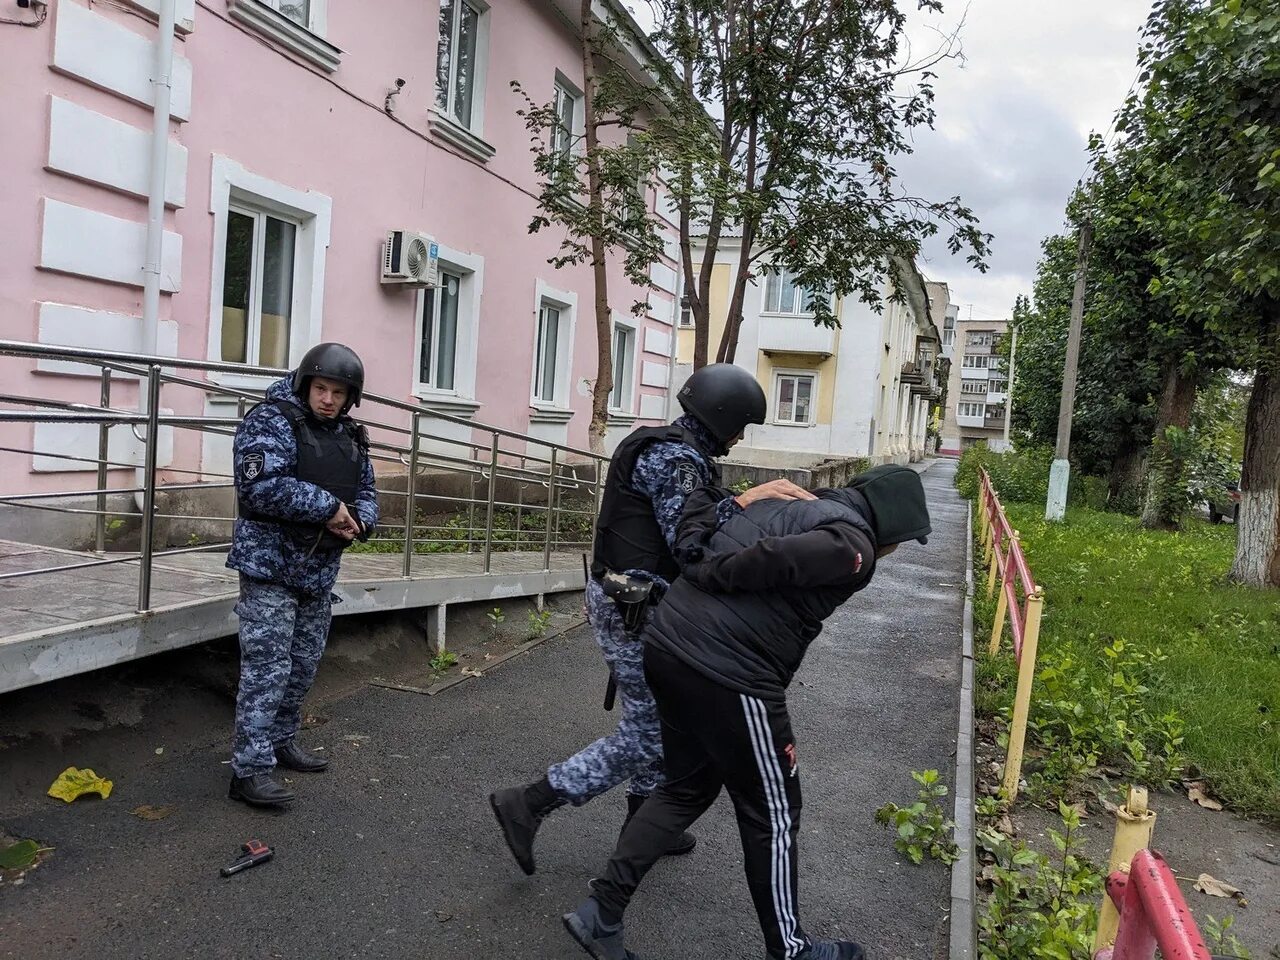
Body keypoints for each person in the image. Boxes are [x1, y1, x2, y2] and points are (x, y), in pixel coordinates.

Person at [561, 464, 933, 960]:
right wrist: (711, 572)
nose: (896, 551)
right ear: (891, 524)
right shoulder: (853, 544)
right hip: (728, 674)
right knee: (774, 814)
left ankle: (600, 913)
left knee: (683, 788)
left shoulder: (791, 504)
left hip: (669, 645)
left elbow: (713, 532)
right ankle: (791, 949)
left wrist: (702, 566)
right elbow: (775, 557)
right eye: (903, 540)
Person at [489, 363, 816, 874]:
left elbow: (684, 521)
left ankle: (642, 823)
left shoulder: (670, 448)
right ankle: (529, 802)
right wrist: (748, 502)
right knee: (651, 731)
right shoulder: (673, 459)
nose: (739, 436)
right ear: (723, 415)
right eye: (741, 425)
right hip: (635, 607)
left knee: (660, 718)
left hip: (633, 601)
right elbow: (690, 541)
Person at [226, 342, 379, 808]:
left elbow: (368, 488)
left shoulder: (348, 434)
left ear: (349, 398)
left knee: (303, 663)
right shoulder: (269, 420)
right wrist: (329, 507)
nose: (328, 399)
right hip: (271, 565)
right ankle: (248, 771)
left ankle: (280, 740)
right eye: (320, 388)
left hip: (318, 569)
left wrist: (361, 520)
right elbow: (260, 487)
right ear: (305, 384)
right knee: (267, 669)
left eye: (337, 392)